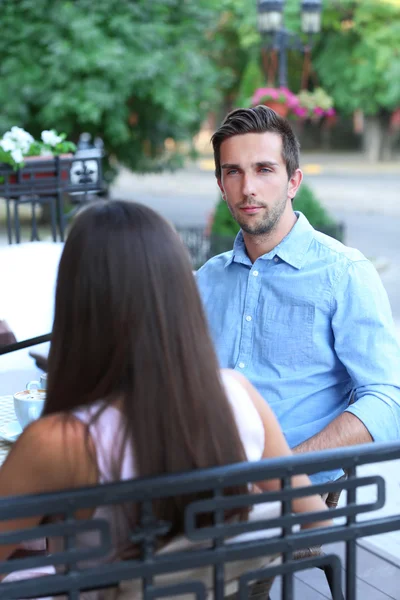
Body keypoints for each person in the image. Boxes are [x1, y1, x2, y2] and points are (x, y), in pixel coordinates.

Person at [0, 201, 327, 576]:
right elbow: (314, 519)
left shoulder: (59, 442)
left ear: (78, 300)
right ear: (181, 294)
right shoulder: (239, 396)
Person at [197, 105, 400, 484]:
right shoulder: (205, 281)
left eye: (264, 169)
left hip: (294, 499)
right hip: (204, 483)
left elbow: (388, 403)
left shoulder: (345, 274)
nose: (248, 188)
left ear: (293, 181)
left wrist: (283, 469)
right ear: (221, 185)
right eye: (233, 172)